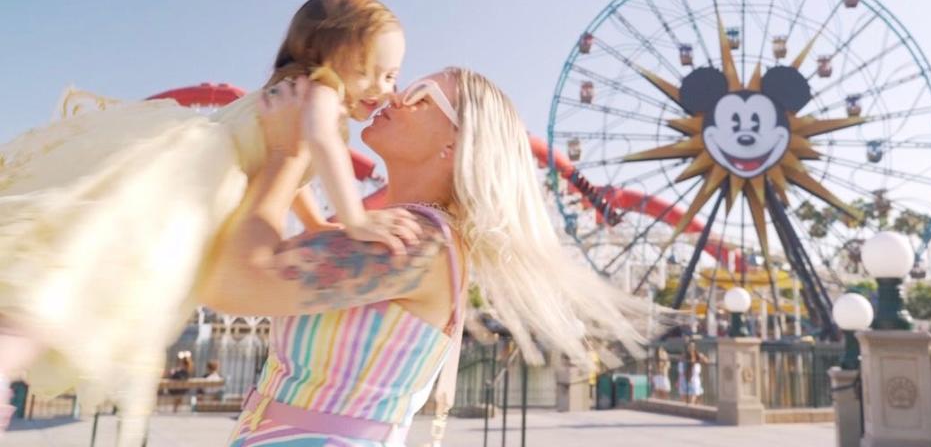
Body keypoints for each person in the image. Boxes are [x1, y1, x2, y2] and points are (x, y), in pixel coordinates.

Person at [0, 0, 414, 444]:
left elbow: (294, 171)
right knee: (88, 275)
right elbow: (316, 141)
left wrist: (315, 224)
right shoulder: (321, 93)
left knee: (83, 269)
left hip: (192, 177)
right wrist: (354, 218)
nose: (383, 88)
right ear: (324, 56)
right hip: (193, 184)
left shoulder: (293, 92)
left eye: (391, 75)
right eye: (366, 71)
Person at [198, 67, 653, 445]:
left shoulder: (418, 244)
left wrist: (285, 152)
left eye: (422, 96)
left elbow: (233, 284)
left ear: (455, 145)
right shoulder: (387, 232)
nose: (396, 96)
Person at [683, 341, 707, 405]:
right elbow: (690, 363)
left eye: (693, 346)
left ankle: (696, 407)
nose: (692, 348)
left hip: (697, 379)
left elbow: (706, 361)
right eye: (690, 346)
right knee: (693, 395)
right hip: (691, 379)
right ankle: (691, 406)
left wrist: (702, 357)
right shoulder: (687, 355)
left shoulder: (697, 354)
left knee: (699, 396)